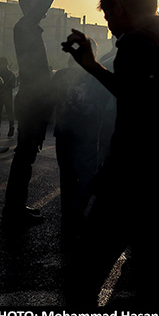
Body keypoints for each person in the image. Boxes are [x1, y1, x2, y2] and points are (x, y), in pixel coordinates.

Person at [61, 0, 159, 305]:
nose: (109, 26)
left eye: (108, 16)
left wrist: (107, 175)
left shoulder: (135, 42)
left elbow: (136, 111)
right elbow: (138, 94)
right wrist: (93, 65)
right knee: (152, 288)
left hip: (132, 182)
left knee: (83, 280)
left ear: (119, 6)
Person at [4, 0, 83, 227]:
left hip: (33, 100)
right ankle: (13, 212)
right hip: (31, 101)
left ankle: (16, 207)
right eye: (39, 5)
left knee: (26, 157)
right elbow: (44, 3)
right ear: (30, 7)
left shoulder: (29, 31)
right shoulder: (25, 26)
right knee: (24, 157)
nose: (45, 10)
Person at [51, 43, 109, 234]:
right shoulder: (96, 77)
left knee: (67, 177)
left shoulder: (60, 75)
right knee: (87, 175)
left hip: (64, 132)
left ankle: (68, 217)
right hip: (88, 134)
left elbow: (50, 102)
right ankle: (77, 213)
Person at [0, 57, 17, 139]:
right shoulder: (11, 74)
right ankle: (10, 127)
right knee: (8, 113)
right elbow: (14, 85)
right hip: (6, 95)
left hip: (1, 96)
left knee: (0, 113)